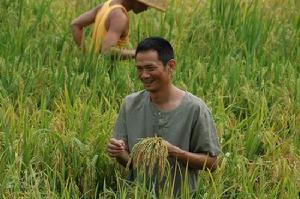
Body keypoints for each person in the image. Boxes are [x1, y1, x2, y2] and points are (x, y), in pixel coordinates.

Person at [106, 37, 221, 195]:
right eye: (139, 69)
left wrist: (176, 153)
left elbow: (212, 163)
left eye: (150, 68)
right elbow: (131, 164)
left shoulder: (195, 108)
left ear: (170, 66)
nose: (144, 75)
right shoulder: (130, 104)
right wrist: (118, 152)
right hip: (138, 194)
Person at [70, 0, 166, 59]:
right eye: (146, 4)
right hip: (105, 76)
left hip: (94, 70)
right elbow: (107, 51)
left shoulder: (106, 5)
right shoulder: (119, 17)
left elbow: (76, 25)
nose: (147, 8)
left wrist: (87, 56)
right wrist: (137, 53)